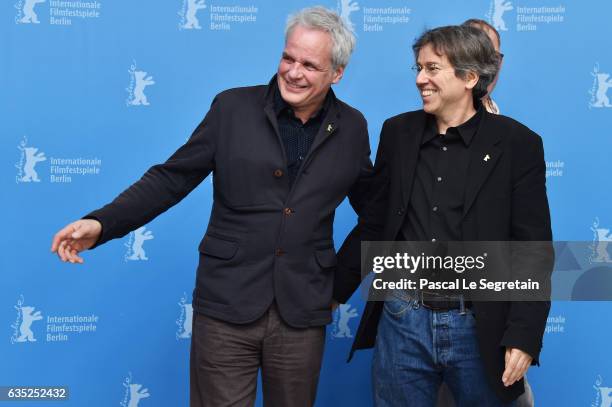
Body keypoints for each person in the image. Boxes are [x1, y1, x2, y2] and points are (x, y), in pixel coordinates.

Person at [50, 7, 372, 407]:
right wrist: (101, 223)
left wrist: (339, 286)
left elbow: (376, 214)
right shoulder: (231, 109)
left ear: (336, 73)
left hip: (302, 312)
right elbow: (172, 178)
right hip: (226, 304)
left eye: (309, 65)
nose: (293, 72)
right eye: (288, 58)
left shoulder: (353, 127)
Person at [334, 25, 553, 406]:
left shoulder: (519, 144)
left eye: (432, 68)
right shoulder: (397, 133)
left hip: (479, 322)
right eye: (418, 68)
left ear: (469, 77)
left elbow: (532, 250)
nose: (420, 79)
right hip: (403, 319)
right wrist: (332, 290)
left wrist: (524, 335)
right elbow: (375, 222)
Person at [435, 18, 535, 407]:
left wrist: (522, 331)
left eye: (490, 53)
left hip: (496, 314)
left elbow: (528, 240)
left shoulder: (515, 136)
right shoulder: (427, 128)